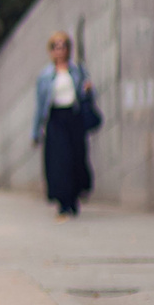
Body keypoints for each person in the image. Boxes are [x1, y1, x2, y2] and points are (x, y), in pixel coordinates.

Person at [33, 32, 97, 217]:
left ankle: (74, 198)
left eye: (63, 46)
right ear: (51, 51)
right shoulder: (45, 76)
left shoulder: (77, 71)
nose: (59, 50)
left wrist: (88, 90)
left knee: (76, 159)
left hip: (73, 117)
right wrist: (35, 131)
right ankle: (62, 202)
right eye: (55, 46)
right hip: (55, 119)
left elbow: (88, 95)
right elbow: (40, 105)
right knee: (59, 161)